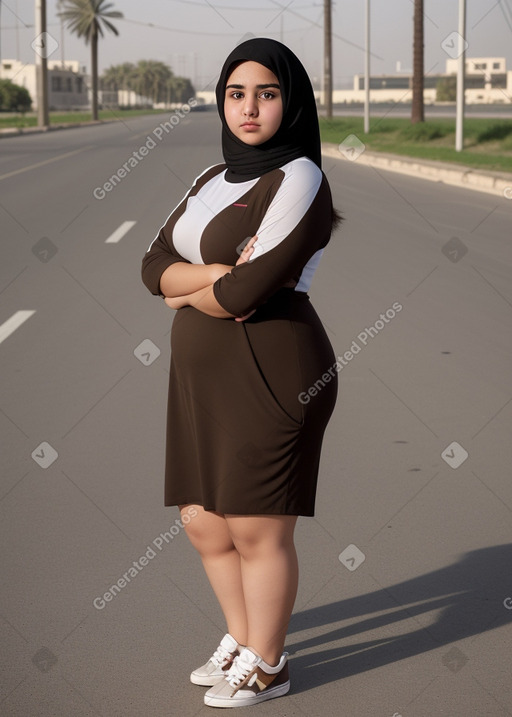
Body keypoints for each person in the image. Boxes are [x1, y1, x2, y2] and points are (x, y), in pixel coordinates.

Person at [141, 37, 341, 708]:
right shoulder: (209, 180)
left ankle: (271, 661)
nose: (249, 107)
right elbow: (151, 266)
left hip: (274, 373)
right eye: (236, 93)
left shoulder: (300, 178)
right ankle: (241, 635)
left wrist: (187, 285)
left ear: (292, 101)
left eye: (267, 93)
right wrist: (203, 277)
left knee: (257, 526)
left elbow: (242, 297)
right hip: (200, 379)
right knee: (204, 521)